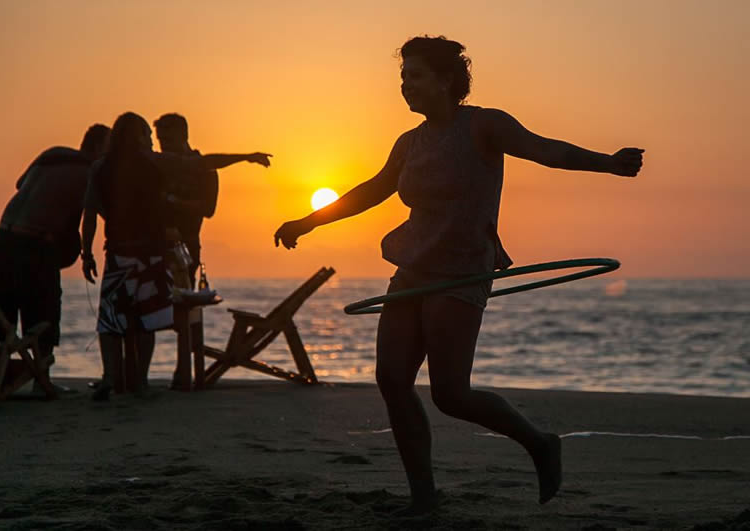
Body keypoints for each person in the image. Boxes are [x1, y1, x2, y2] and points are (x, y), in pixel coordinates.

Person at [274, 35, 643, 514]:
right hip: (412, 269)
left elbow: (543, 150)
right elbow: (371, 191)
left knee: (450, 393)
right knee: (391, 379)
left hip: (461, 270)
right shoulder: (409, 142)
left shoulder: (483, 125)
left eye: (416, 76)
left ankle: (539, 443)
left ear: (447, 80)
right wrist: (308, 220)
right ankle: (423, 497)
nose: (405, 86)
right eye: (402, 77)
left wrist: (608, 164)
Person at [82, 112, 271, 400]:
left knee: (111, 319)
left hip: (118, 253)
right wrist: (246, 156)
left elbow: (90, 214)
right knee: (146, 319)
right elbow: (204, 163)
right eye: (147, 135)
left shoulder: (100, 166)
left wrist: (86, 253)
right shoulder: (152, 162)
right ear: (137, 136)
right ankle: (141, 382)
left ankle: (111, 376)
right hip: (149, 253)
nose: (151, 142)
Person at [153, 112, 273, 389]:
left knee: (184, 313)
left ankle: (184, 373)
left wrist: (171, 200)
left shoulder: (204, 170)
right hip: (156, 246)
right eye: (160, 141)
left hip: (187, 248)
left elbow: (208, 210)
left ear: (183, 136)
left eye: (168, 140)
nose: (163, 147)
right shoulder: (160, 166)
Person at [0, 124, 111, 393]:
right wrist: (87, 254)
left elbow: (20, 184)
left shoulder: (52, 154)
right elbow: (103, 213)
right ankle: (41, 383)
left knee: (2, 314)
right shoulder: (92, 172)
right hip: (35, 244)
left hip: (4, 238)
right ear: (99, 149)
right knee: (44, 311)